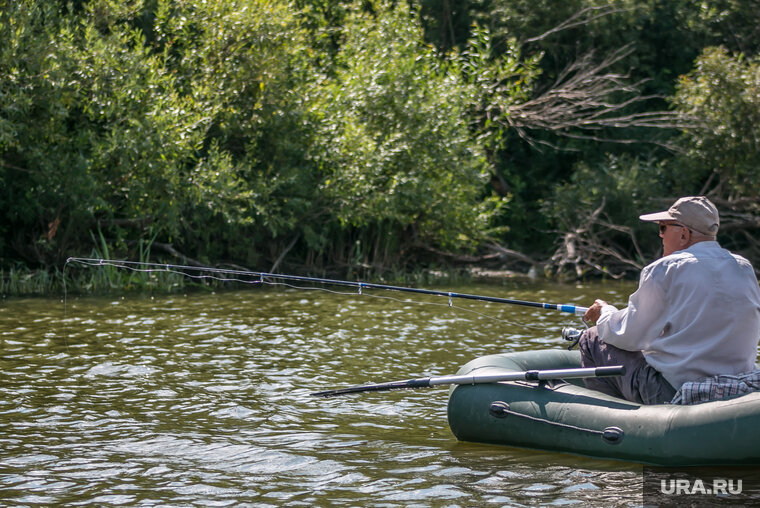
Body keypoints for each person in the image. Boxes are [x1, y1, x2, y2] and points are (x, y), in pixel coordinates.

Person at [579, 196, 760, 404]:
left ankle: (613, 424)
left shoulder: (665, 269)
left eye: (664, 227)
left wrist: (605, 312)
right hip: (736, 388)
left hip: (675, 391)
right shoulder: (744, 268)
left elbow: (629, 335)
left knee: (591, 338)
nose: (660, 234)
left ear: (684, 233)